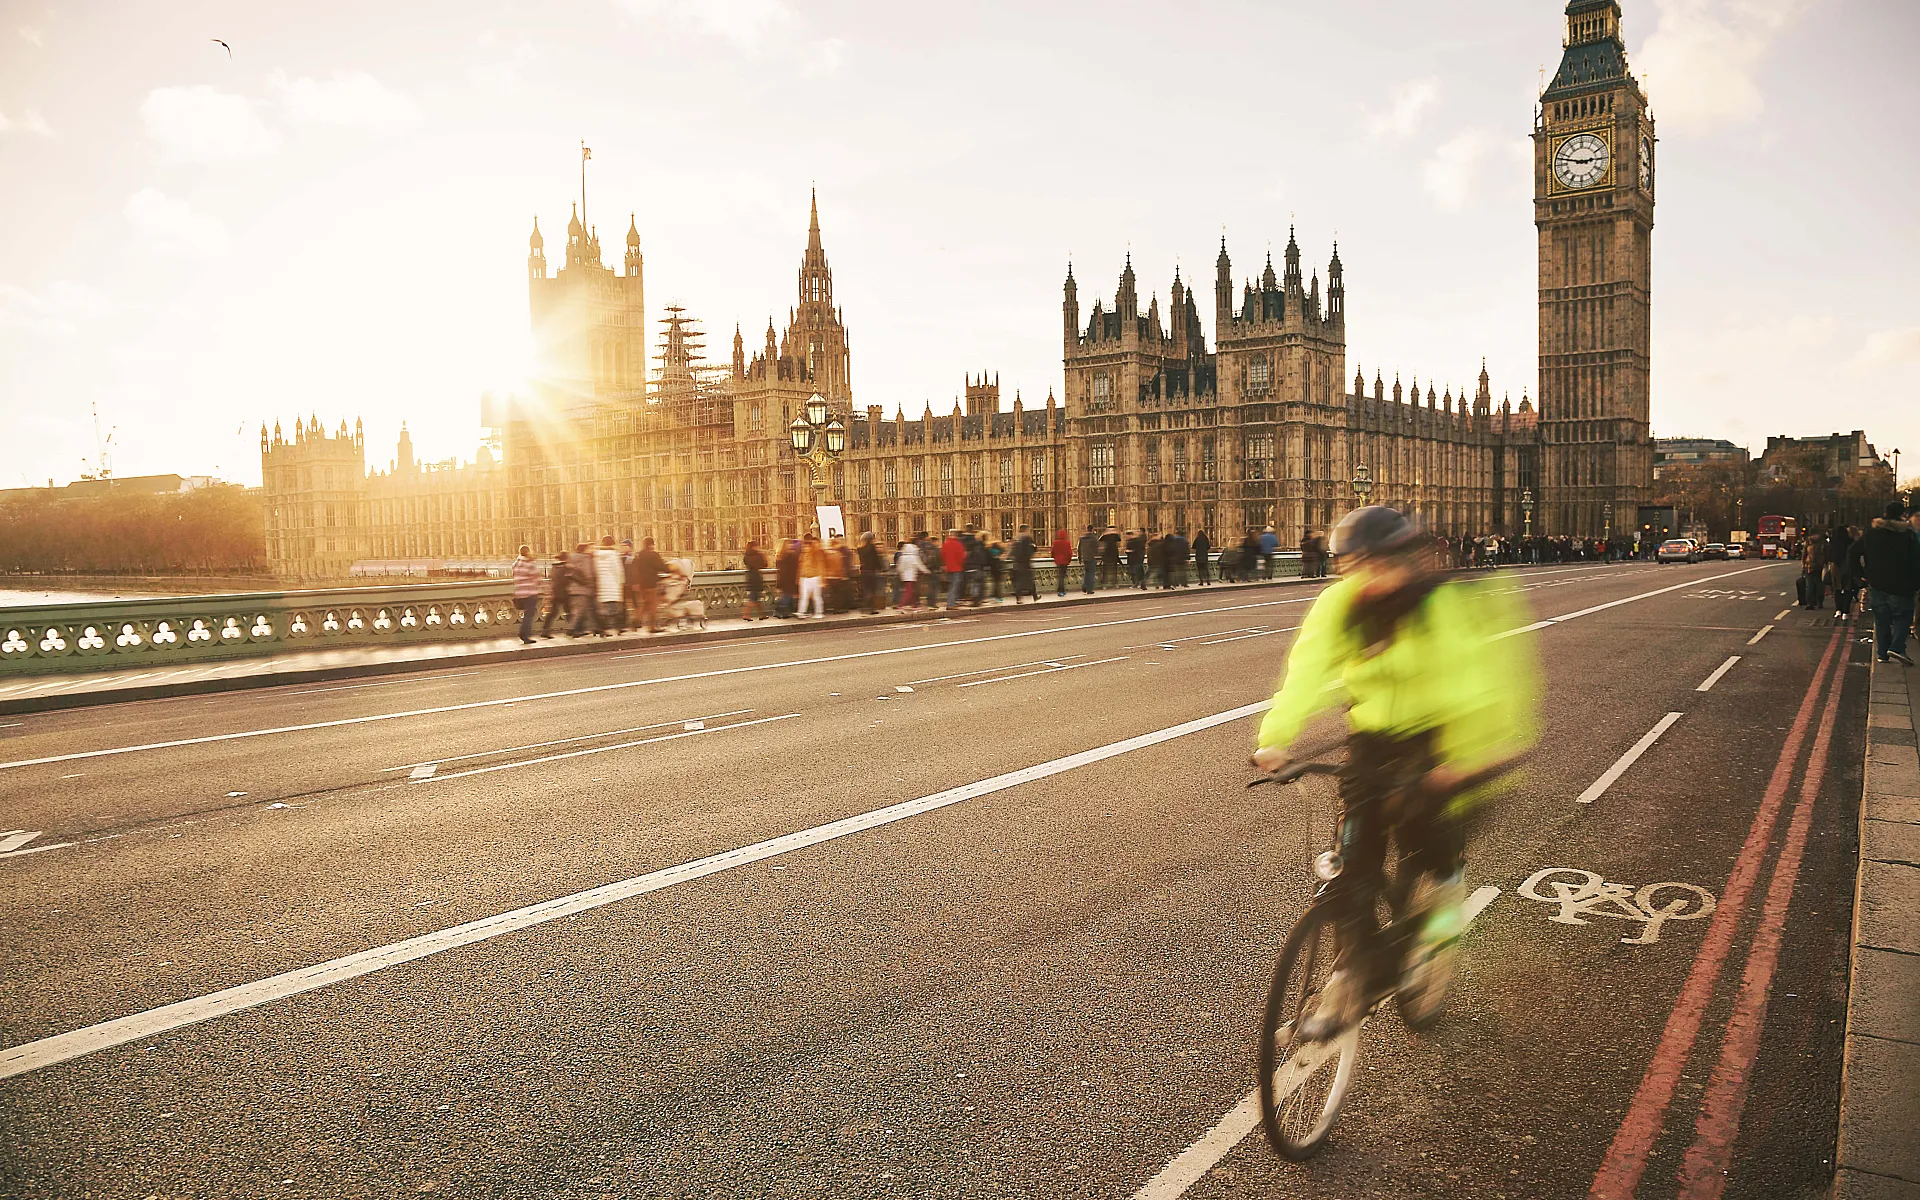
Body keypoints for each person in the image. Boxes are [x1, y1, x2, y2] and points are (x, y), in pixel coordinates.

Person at [1251, 505, 1540, 1040]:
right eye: (1351, 567)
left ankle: (1440, 920)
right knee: (1350, 867)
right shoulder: (1341, 604)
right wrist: (1275, 739)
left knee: (1426, 843)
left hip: (1444, 735)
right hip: (1374, 737)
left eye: (1376, 565)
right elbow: (1307, 670)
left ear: (1404, 560)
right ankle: (1350, 978)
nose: (1363, 578)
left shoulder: (1440, 607)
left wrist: (1459, 765)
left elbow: (1476, 688)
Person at [1848, 501, 1920, 665]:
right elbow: (1916, 561)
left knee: (1881, 619)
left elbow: (1852, 552)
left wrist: (1860, 575)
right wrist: (1916, 583)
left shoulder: (1872, 534)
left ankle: (1882, 653)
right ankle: (1897, 647)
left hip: (1877, 583)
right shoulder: (1907, 535)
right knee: (1903, 616)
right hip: (1902, 584)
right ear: (1902, 515)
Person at [628, 537, 669, 633]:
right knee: (653, 606)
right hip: (651, 584)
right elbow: (661, 566)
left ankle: (636, 621)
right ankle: (652, 627)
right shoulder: (653, 555)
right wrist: (671, 569)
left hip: (642, 585)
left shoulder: (638, 555)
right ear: (651, 544)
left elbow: (634, 569)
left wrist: (636, 582)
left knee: (644, 604)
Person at [592, 535, 626, 636]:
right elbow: (618, 570)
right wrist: (621, 582)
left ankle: (602, 628)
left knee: (604, 608)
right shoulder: (613, 554)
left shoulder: (596, 555)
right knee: (614, 609)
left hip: (600, 585)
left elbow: (594, 570)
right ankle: (616, 628)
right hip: (612, 585)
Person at [566, 542, 600, 637]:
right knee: (581, 611)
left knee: (582, 610)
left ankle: (592, 629)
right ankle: (572, 629)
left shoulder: (571, 558)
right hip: (583, 589)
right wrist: (591, 584)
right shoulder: (585, 558)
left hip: (573, 589)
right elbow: (588, 573)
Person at [511, 544, 541, 644]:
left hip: (519, 593)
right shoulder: (530, 564)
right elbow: (537, 578)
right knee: (529, 615)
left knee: (526, 614)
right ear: (528, 552)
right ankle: (525, 634)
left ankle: (523, 633)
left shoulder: (515, 564)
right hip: (530, 592)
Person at [797, 533, 829, 618]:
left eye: (806, 546)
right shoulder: (803, 555)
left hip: (815, 577)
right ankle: (802, 612)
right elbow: (801, 567)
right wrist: (800, 578)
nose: (804, 548)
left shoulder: (816, 554)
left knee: (816, 597)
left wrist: (822, 579)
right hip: (806, 578)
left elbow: (820, 566)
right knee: (804, 596)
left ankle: (819, 613)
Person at [540, 550, 571, 638]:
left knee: (552, 613)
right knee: (569, 612)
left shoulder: (555, 567)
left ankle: (545, 631)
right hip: (564, 593)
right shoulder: (566, 567)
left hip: (555, 592)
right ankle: (572, 629)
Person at [856, 531, 885, 613]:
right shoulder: (872, 549)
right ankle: (871, 609)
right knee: (872, 591)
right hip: (871, 572)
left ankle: (864, 608)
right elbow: (876, 561)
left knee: (865, 590)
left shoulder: (860, 549)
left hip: (863, 572)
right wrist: (881, 569)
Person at [1009, 525, 1039, 603]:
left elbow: (1012, 552)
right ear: (1026, 530)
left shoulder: (1016, 538)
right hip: (1025, 563)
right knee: (1030, 580)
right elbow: (1034, 548)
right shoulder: (1027, 538)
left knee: (1018, 581)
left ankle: (1019, 598)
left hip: (1016, 563)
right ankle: (1035, 596)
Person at [742, 539, 768, 621]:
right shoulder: (758, 555)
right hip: (756, 578)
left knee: (756, 598)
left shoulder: (746, 556)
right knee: (753, 599)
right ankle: (746, 615)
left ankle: (761, 615)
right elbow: (765, 564)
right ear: (754, 547)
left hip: (750, 577)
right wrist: (761, 554)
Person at [895, 538, 924, 608]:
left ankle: (914, 604)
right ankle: (901, 604)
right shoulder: (914, 557)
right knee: (909, 591)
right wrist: (925, 571)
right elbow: (919, 565)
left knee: (910, 590)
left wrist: (900, 573)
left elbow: (899, 567)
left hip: (904, 576)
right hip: (912, 576)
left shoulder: (902, 557)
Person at [1051, 528, 1074, 596]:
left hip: (1058, 561)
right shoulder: (1067, 543)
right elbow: (1070, 553)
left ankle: (1060, 590)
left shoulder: (1056, 542)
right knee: (1062, 576)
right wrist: (1069, 560)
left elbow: (1052, 551)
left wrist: (1055, 558)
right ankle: (1061, 590)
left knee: (1060, 576)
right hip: (1065, 562)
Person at [1077, 525, 1099, 594]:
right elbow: (1097, 548)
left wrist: (1080, 558)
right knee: (1091, 574)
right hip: (1092, 558)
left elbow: (1079, 549)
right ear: (1092, 530)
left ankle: (1084, 586)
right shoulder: (1094, 538)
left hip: (1085, 558)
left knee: (1087, 573)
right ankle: (1089, 589)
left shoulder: (1082, 538)